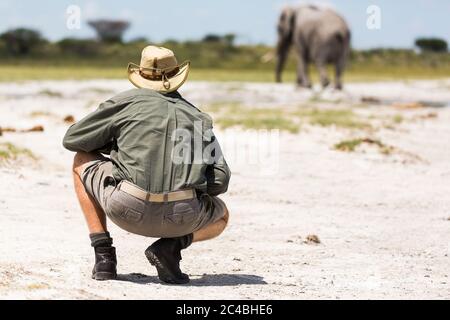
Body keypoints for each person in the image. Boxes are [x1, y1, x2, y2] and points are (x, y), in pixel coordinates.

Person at [62, 46, 231, 284]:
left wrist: (116, 148)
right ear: (176, 77)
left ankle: (104, 258)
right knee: (222, 216)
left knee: (80, 159)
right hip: (184, 216)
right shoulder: (197, 117)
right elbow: (221, 180)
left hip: (125, 209)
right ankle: (170, 247)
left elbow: (73, 140)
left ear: (140, 74)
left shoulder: (124, 103)